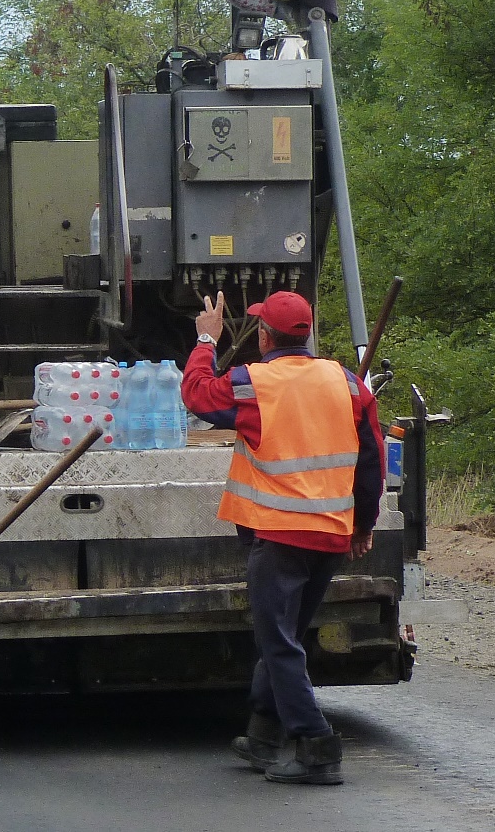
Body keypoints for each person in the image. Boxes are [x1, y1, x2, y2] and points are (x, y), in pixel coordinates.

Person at [182, 290, 384, 786]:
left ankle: (317, 746)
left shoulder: (255, 382)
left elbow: (198, 396)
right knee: (285, 637)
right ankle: (264, 734)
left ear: (265, 336)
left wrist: (207, 338)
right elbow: (371, 461)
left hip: (279, 534)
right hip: (331, 535)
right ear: (308, 335)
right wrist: (363, 524)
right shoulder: (348, 383)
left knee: (278, 644)